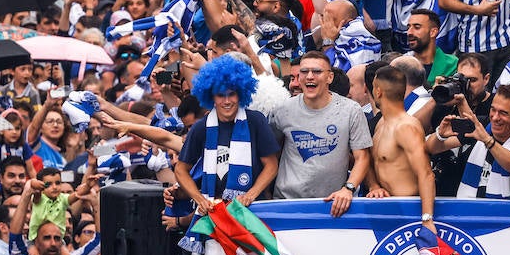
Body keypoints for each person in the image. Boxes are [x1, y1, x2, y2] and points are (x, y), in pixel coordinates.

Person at [269, 50, 372, 215]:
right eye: (304, 72)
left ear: (329, 77)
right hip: (287, 204)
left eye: (317, 71)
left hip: (332, 205)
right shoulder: (282, 110)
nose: (310, 76)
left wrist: (348, 189)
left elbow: (363, 157)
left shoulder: (351, 110)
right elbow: (270, 156)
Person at [174, 56, 280, 214]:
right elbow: (180, 170)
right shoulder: (201, 128)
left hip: (252, 211)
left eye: (232, 94)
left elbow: (271, 165)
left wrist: (250, 195)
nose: (227, 101)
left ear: (241, 93)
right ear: (211, 97)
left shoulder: (255, 121)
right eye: (220, 95)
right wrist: (200, 199)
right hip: (214, 213)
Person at [427, 83, 510, 199]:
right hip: (467, 210)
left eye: (503, 113)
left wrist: (487, 140)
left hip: (508, 215)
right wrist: (440, 135)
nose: (495, 117)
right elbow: (432, 148)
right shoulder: (482, 125)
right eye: (493, 110)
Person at [365, 61, 436, 229]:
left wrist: (427, 218)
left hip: (410, 212)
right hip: (385, 211)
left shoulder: (406, 127)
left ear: (378, 91)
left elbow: (426, 174)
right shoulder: (381, 123)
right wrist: (374, 185)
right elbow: (371, 160)